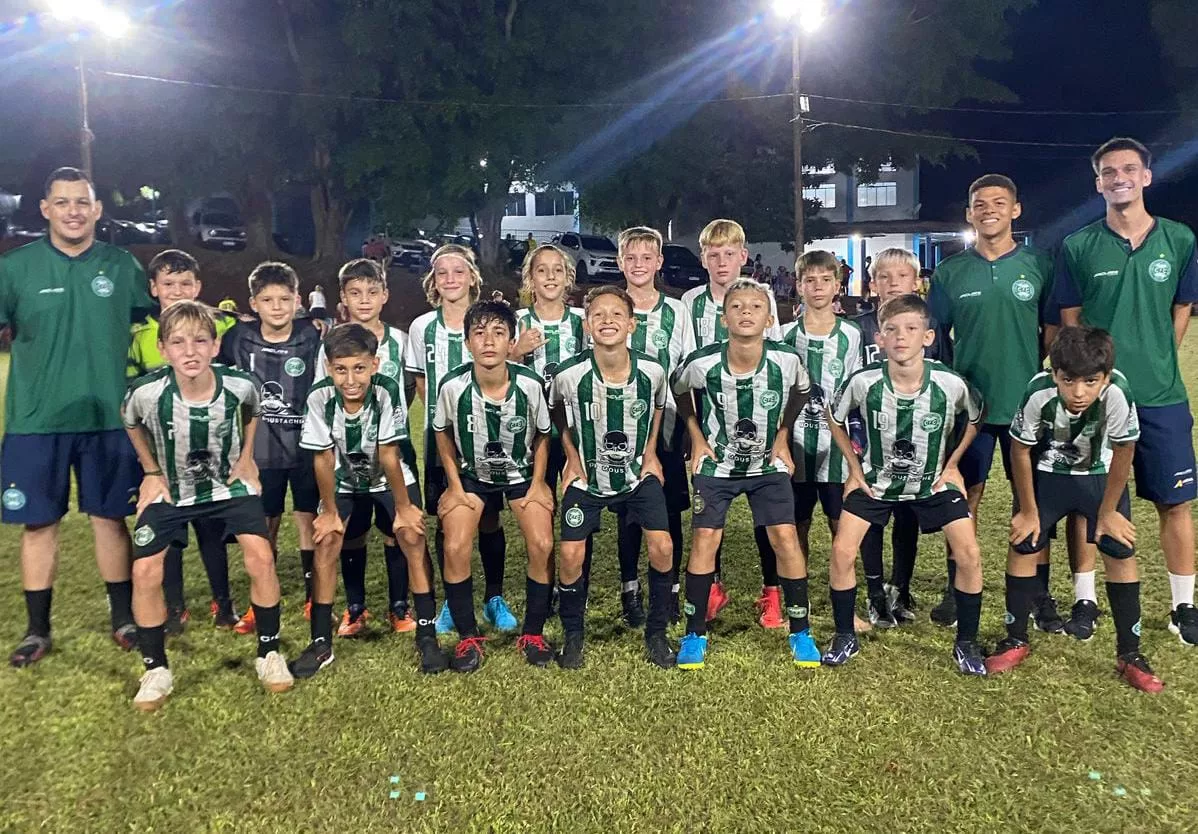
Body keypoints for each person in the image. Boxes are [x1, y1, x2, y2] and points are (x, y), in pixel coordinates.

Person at [1, 167, 150, 668]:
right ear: (45, 209)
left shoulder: (122, 266)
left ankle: (124, 619)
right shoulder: (15, 268)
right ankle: (36, 630)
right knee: (38, 522)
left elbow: (149, 330)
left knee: (110, 518)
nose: (73, 211)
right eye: (62, 202)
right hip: (35, 420)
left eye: (82, 202)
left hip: (109, 417)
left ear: (97, 210)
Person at [1054, 136, 1198, 645]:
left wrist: (1156, 358)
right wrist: (1092, 380)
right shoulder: (1078, 245)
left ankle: (1184, 606)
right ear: (1098, 183)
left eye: (1129, 169)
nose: (1120, 178)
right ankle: (1085, 598)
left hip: (1161, 396)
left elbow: (1181, 308)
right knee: (1088, 501)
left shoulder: (1178, 239)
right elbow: (1070, 322)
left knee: (1174, 502)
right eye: (1109, 172)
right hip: (1097, 400)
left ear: (1146, 177)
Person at [123, 301, 293, 709]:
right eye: (178, 342)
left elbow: (253, 411)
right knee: (144, 570)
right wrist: (150, 470)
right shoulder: (146, 393)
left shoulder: (238, 384)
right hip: (172, 490)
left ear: (216, 346)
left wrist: (247, 457)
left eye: (200, 341)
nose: (190, 351)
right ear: (163, 349)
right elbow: (130, 422)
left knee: (261, 557)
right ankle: (155, 668)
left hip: (226, 487)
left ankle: (269, 652)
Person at [987, 327, 1162, 691]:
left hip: (1098, 478)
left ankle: (1130, 654)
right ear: (1054, 374)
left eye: (1090, 381)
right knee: (1024, 543)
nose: (1078, 392)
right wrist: (1028, 510)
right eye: (1068, 380)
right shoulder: (1038, 391)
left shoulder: (1118, 391)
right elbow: (1020, 449)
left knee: (1120, 548)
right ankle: (1015, 639)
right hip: (1048, 477)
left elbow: (1125, 449)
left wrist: (1109, 511)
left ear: (1105, 377)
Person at [823, 294, 987, 675]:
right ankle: (845, 636)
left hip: (932, 482)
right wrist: (854, 468)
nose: (901, 337)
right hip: (876, 482)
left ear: (927, 337)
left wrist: (953, 464)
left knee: (969, 553)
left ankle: (966, 643)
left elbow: (977, 416)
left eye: (911, 329)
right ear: (879, 338)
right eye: (892, 330)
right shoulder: (864, 381)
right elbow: (834, 417)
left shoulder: (948, 382)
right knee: (842, 551)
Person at [928, 174, 1062, 632]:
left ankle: (1038, 593)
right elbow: (936, 338)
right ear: (969, 213)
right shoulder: (950, 272)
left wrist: (1035, 371)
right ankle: (956, 587)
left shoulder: (1039, 264)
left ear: (1015, 209)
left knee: (1033, 499)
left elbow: (1052, 329)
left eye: (999, 202)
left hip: (1027, 405)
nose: (989, 210)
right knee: (965, 496)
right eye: (980, 204)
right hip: (972, 408)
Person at [673, 279, 821, 668]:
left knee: (786, 538)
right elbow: (678, 389)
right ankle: (694, 633)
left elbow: (802, 391)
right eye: (736, 307)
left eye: (755, 307)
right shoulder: (703, 362)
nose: (745, 313)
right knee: (705, 539)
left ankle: (801, 631)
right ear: (724, 319)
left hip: (765, 465)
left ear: (769, 318)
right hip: (718, 465)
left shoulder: (786, 360)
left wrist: (784, 435)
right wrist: (696, 437)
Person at [292, 324, 443, 678]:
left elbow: (389, 455)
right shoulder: (318, 397)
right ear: (329, 368)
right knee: (327, 540)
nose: (350, 379)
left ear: (374, 364)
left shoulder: (387, 390)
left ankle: (426, 635)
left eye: (359, 368)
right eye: (341, 369)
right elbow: (323, 458)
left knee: (411, 536)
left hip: (389, 478)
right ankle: (320, 643)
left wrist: (404, 508)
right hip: (344, 480)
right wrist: (330, 512)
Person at [549, 285, 677, 670]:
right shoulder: (569, 374)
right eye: (598, 315)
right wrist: (571, 456)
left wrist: (651, 452)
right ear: (587, 326)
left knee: (663, 545)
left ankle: (656, 633)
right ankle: (573, 635)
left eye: (617, 314)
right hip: (588, 477)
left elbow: (658, 407)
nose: (608, 320)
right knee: (570, 554)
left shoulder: (652, 371)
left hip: (637, 476)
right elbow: (556, 410)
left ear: (631, 324)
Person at [434, 301, 556, 670]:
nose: (489, 341)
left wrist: (539, 483)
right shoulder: (452, 386)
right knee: (455, 545)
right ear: (467, 342)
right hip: (472, 476)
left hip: (521, 475)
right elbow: (442, 432)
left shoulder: (530, 384)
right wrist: (454, 486)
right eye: (479, 333)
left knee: (543, 543)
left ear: (511, 342)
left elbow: (543, 435)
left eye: (498, 333)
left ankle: (532, 633)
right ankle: (468, 637)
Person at [127, 249, 240, 634]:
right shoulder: (141, 335)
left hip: (210, 450)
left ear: (198, 286)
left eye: (185, 283)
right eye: (169, 284)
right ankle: (174, 607)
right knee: (169, 531)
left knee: (212, 528)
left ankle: (223, 603)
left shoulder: (221, 327)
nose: (177, 291)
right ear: (153, 288)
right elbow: (132, 399)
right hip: (162, 453)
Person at [408, 245, 516, 634]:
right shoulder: (422, 327)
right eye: (442, 273)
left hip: (488, 435)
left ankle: (494, 598)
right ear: (433, 281)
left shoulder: (489, 320)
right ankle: (453, 603)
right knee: (447, 515)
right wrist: (444, 420)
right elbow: (421, 381)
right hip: (442, 438)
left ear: (472, 277)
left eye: (459, 271)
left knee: (488, 516)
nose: (451, 279)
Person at [681, 219, 783, 626]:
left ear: (743, 256)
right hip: (711, 420)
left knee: (766, 511)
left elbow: (775, 359)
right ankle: (712, 587)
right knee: (709, 512)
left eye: (729, 254)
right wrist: (695, 431)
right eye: (713, 254)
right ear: (703, 258)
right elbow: (688, 366)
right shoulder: (691, 301)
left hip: (758, 418)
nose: (721, 262)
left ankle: (772, 591)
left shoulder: (762, 296)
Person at [313, 258, 419, 635]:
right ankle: (355, 608)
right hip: (345, 456)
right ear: (342, 297)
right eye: (355, 293)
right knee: (353, 532)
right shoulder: (329, 346)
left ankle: (399, 606)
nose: (364, 300)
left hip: (394, 450)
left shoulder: (400, 342)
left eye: (372, 292)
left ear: (385, 295)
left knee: (398, 529)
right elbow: (324, 395)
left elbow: (408, 387)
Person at [219, 262, 323, 626]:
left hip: (307, 447)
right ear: (254, 304)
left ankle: (313, 597)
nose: (277, 307)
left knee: (309, 521)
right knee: (265, 526)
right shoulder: (238, 337)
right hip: (260, 452)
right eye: (267, 300)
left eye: (284, 299)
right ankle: (260, 601)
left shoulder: (312, 335)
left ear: (297, 300)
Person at [853, 248, 951, 625]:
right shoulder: (858, 328)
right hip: (870, 440)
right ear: (873, 283)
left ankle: (901, 586)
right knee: (871, 515)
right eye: (885, 276)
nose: (894, 283)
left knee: (907, 514)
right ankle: (875, 592)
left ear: (916, 282)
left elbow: (944, 380)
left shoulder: (930, 329)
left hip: (915, 441)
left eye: (902, 276)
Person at [781, 252, 865, 630]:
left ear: (837, 285)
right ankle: (797, 607)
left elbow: (857, 392)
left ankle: (847, 608)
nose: (817, 287)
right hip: (796, 447)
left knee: (840, 528)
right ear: (799, 286)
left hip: (836, 450)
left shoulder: (851, 335)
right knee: (796, 527)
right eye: (809, 280)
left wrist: (857, 448)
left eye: (825, 280)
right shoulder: (785, 336)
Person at [616, 226, 694, 626]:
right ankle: (630, 589)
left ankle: (670, 591)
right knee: (628, 509)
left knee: (670, 507)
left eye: (647, 257)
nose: (639, 264)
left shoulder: (677, 310)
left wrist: (689, 427)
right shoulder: (610, 306)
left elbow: (685, 370)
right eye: (631, 257)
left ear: (659, 262)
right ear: (620, 262)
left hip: (667, 425)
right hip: (619, 423)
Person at [511, 244, 593, 591]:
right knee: (542, 511)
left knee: (580, 510)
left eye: (557, 270)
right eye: (541, 270)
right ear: (530, 277)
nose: (550, 277)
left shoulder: (582, 320)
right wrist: (516, 352)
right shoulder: (518, 321)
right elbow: (499, 372)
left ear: (568, 277)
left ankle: (576, 586)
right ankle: (544, 589)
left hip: (575, 431)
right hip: (534, 434)